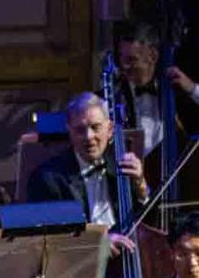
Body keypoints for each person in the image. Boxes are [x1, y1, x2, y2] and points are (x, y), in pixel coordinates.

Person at [26, 91, 147, 233]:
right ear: (69, 132)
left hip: (125, 251)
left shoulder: (123, 167)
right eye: (80, 130)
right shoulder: (48, 178)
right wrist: (101, 242)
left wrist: (140, 185)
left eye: (95, 127)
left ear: (109, 130)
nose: (89, 137)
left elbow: (147, 222)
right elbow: (54, 237)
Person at [112, 19, 199, 152]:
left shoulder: (174, 93)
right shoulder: (115, 95)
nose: (124, 66)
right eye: (122, 59)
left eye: (132, 60)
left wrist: (192, 88)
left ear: (153, 56)